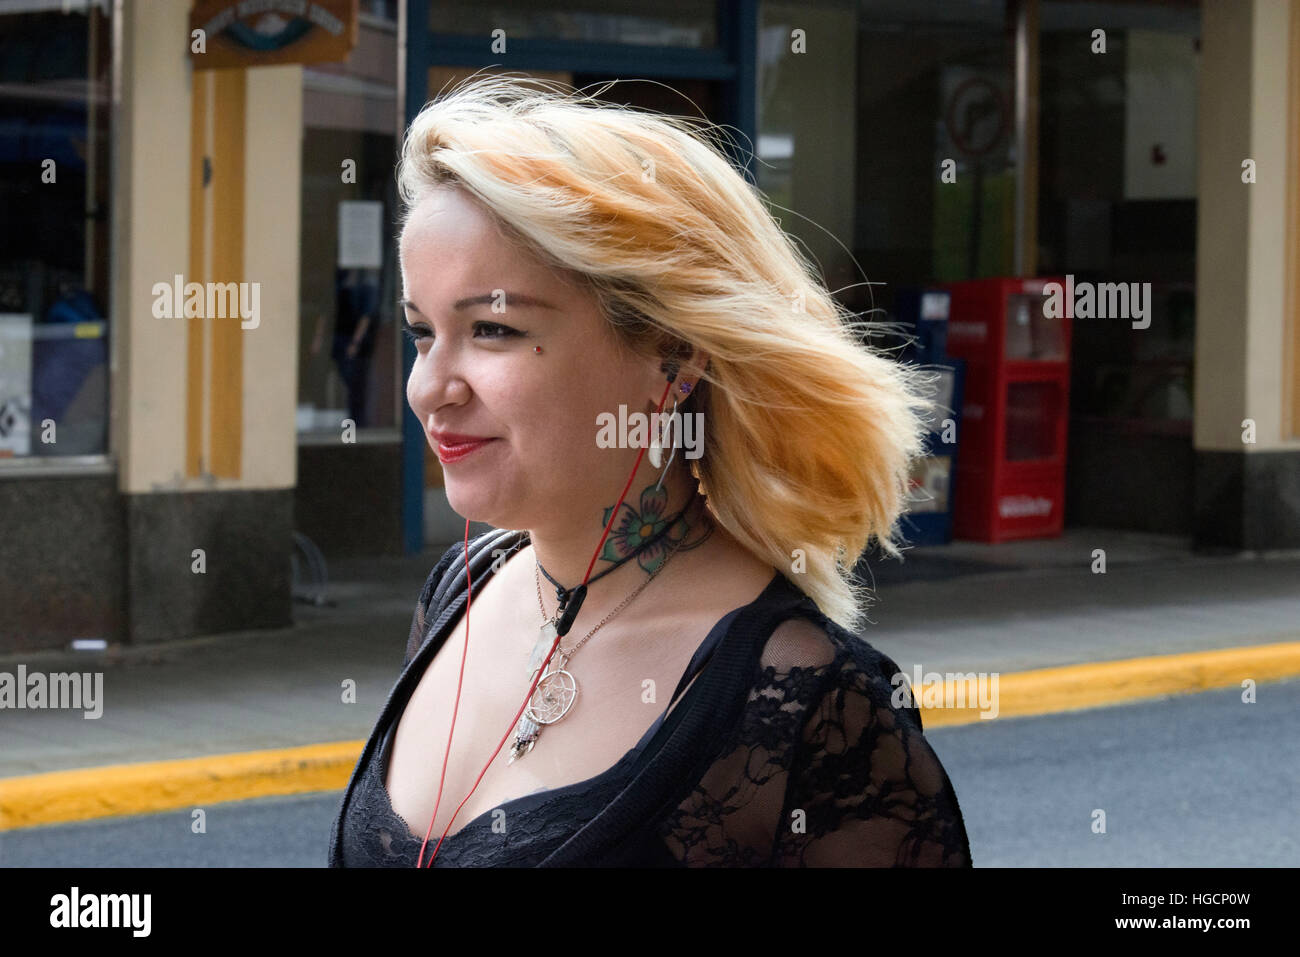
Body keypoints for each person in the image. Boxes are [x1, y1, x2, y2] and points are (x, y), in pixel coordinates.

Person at [328, 74, 972, 867]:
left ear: (671, 358)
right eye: (423, 332)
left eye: (492, 328)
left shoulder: (816, 708)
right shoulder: (458, 590)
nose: (429, 386)